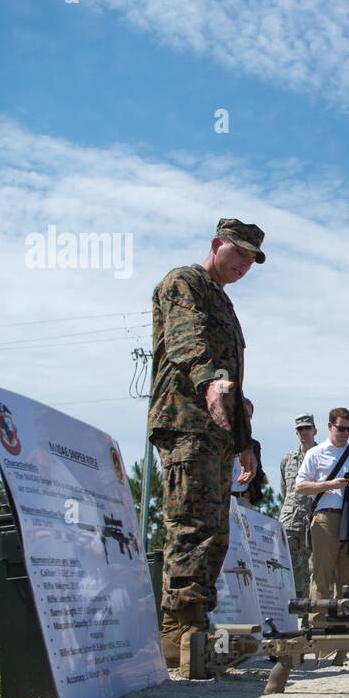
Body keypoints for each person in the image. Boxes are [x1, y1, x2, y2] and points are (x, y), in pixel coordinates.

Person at [148, 217, 263, 674]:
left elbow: (231, 381)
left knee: (216, 530)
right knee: (190, 523)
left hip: (216, 432)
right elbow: (186, 342)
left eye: (251, 261)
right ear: (217, 244)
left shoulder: (225, 304)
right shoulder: (184, 282)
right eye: (238, 255)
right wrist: (209, 379)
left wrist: (244, 440)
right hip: (185, 421)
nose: (243, 266)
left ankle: (196, 624)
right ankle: (178, 630)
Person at [294, 408, 349, 623]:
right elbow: (300, 487)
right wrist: (329, 484)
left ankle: (344, 627)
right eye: (341, 428)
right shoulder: (315, 453)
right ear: (330, 426)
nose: (346, 432)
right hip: (325, 519)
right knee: (322, 574)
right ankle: (317, 625)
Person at [279, 414, 317, 598]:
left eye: (307, 428)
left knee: (313, 571)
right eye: (300, 429)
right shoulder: (288, 459)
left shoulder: (323, 456)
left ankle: (312, 616)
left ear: (314, 430)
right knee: (284, 567)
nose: (304, 432)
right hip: (290, 522)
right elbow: (284, 490)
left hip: (314, 521)